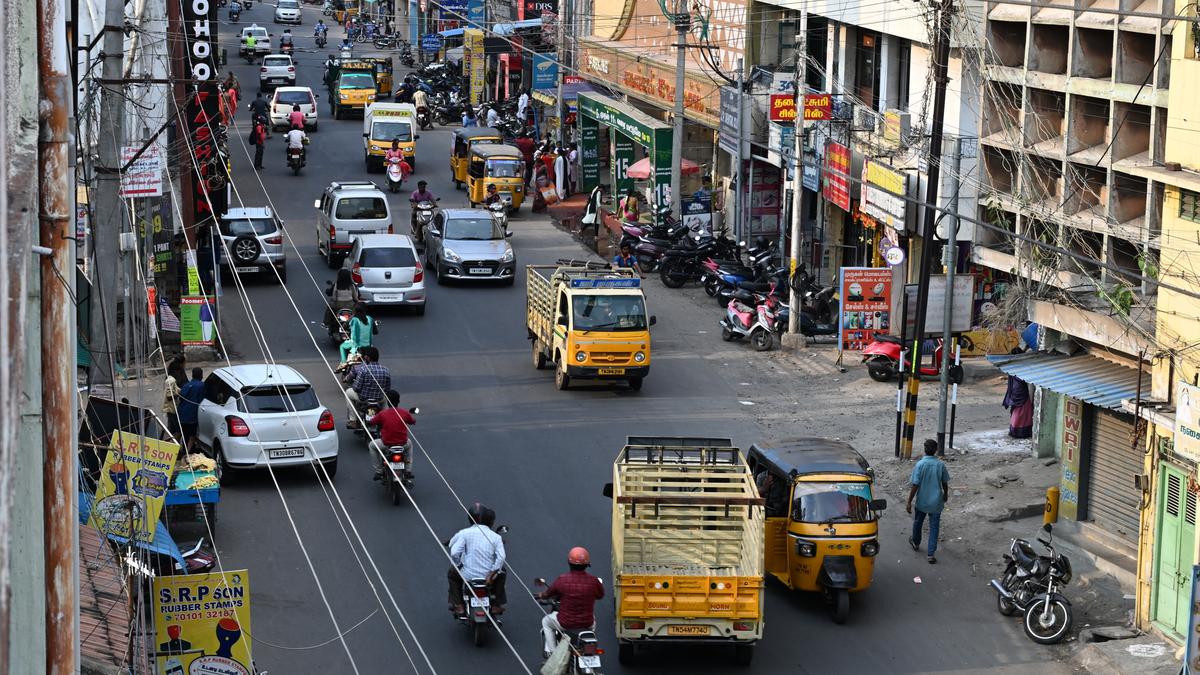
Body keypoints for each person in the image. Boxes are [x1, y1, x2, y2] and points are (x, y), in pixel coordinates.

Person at [537, 547, 604, 660]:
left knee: (546, 622)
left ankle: (553, 654)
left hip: (565, 622)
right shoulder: (594, 581)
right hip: (587, 623)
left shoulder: (562, 580)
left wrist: (541, 595)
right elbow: (600, 595)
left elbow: (548, 593)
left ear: (569, 563)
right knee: (593, 619)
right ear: (587, 564)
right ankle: (587, 644)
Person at [448, 503, 507, 617]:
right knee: (503, 572)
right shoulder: (496, 537)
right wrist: (491, 574)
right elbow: (501, 557)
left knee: (452, 574)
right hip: (488, 577)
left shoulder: (464, 533)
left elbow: (454, 552)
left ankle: (459, 605)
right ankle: (495, 605)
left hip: (467, 575)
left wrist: (458, 564)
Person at [907, 439, 950, 564]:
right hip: (936, 502)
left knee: (918, 522)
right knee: (934, 527)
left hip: (922, 501)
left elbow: (915, 485)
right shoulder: (940, 465)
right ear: (935, 450)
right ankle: (930, 554)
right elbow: (944, 482)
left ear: (924, 449)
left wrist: (909, 501)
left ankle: (915, 542)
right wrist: (945, 494)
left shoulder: (920, 465)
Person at [366, 389, 416, 480]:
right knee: (410, 445)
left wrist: (370, 418)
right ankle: (408, 471)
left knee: (372, 445)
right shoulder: (404, 412)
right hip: (403, 444)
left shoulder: (382, 414)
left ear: (387, 401)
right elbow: (412, 421)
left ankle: (379, 471)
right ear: (399, 401)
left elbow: (372, 422)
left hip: (386, 444)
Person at [345, 346, 390, 427]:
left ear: (367, 357)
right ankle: (386, 420)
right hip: (379, 399)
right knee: (385, 399)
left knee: (348, 393)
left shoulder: (363, 370)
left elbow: (356, 388)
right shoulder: (386, 370)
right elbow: (387, 389)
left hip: (363, 399)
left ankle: (353, 420)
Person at [177, 368, 207, 452]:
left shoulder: (186, 385)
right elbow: (201, 400)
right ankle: (187, 452)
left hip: (182, 413)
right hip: (192, 414)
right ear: (201, 375)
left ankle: (180, 450)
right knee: (192, 435)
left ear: (192, 375)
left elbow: (181, 397)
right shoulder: (201, 385)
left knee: (183, 433)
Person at [1003, 368, 1034, 438]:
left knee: (1019, 411)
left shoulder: (1013, 370)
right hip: (1020, 391)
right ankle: (1019, 431)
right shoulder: (1018, 372)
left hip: (1017, 391)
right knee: (1022, 412)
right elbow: (1021, 378)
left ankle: (1015, 430)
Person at [161, 363, 182, 443]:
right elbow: (170, 396)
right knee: (177, 430)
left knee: (170, 429)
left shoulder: (170, 379)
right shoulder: (171, 381)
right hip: (172, 409)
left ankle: (168, 444)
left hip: (170, 409)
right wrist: (180, 394)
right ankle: (175, 446)